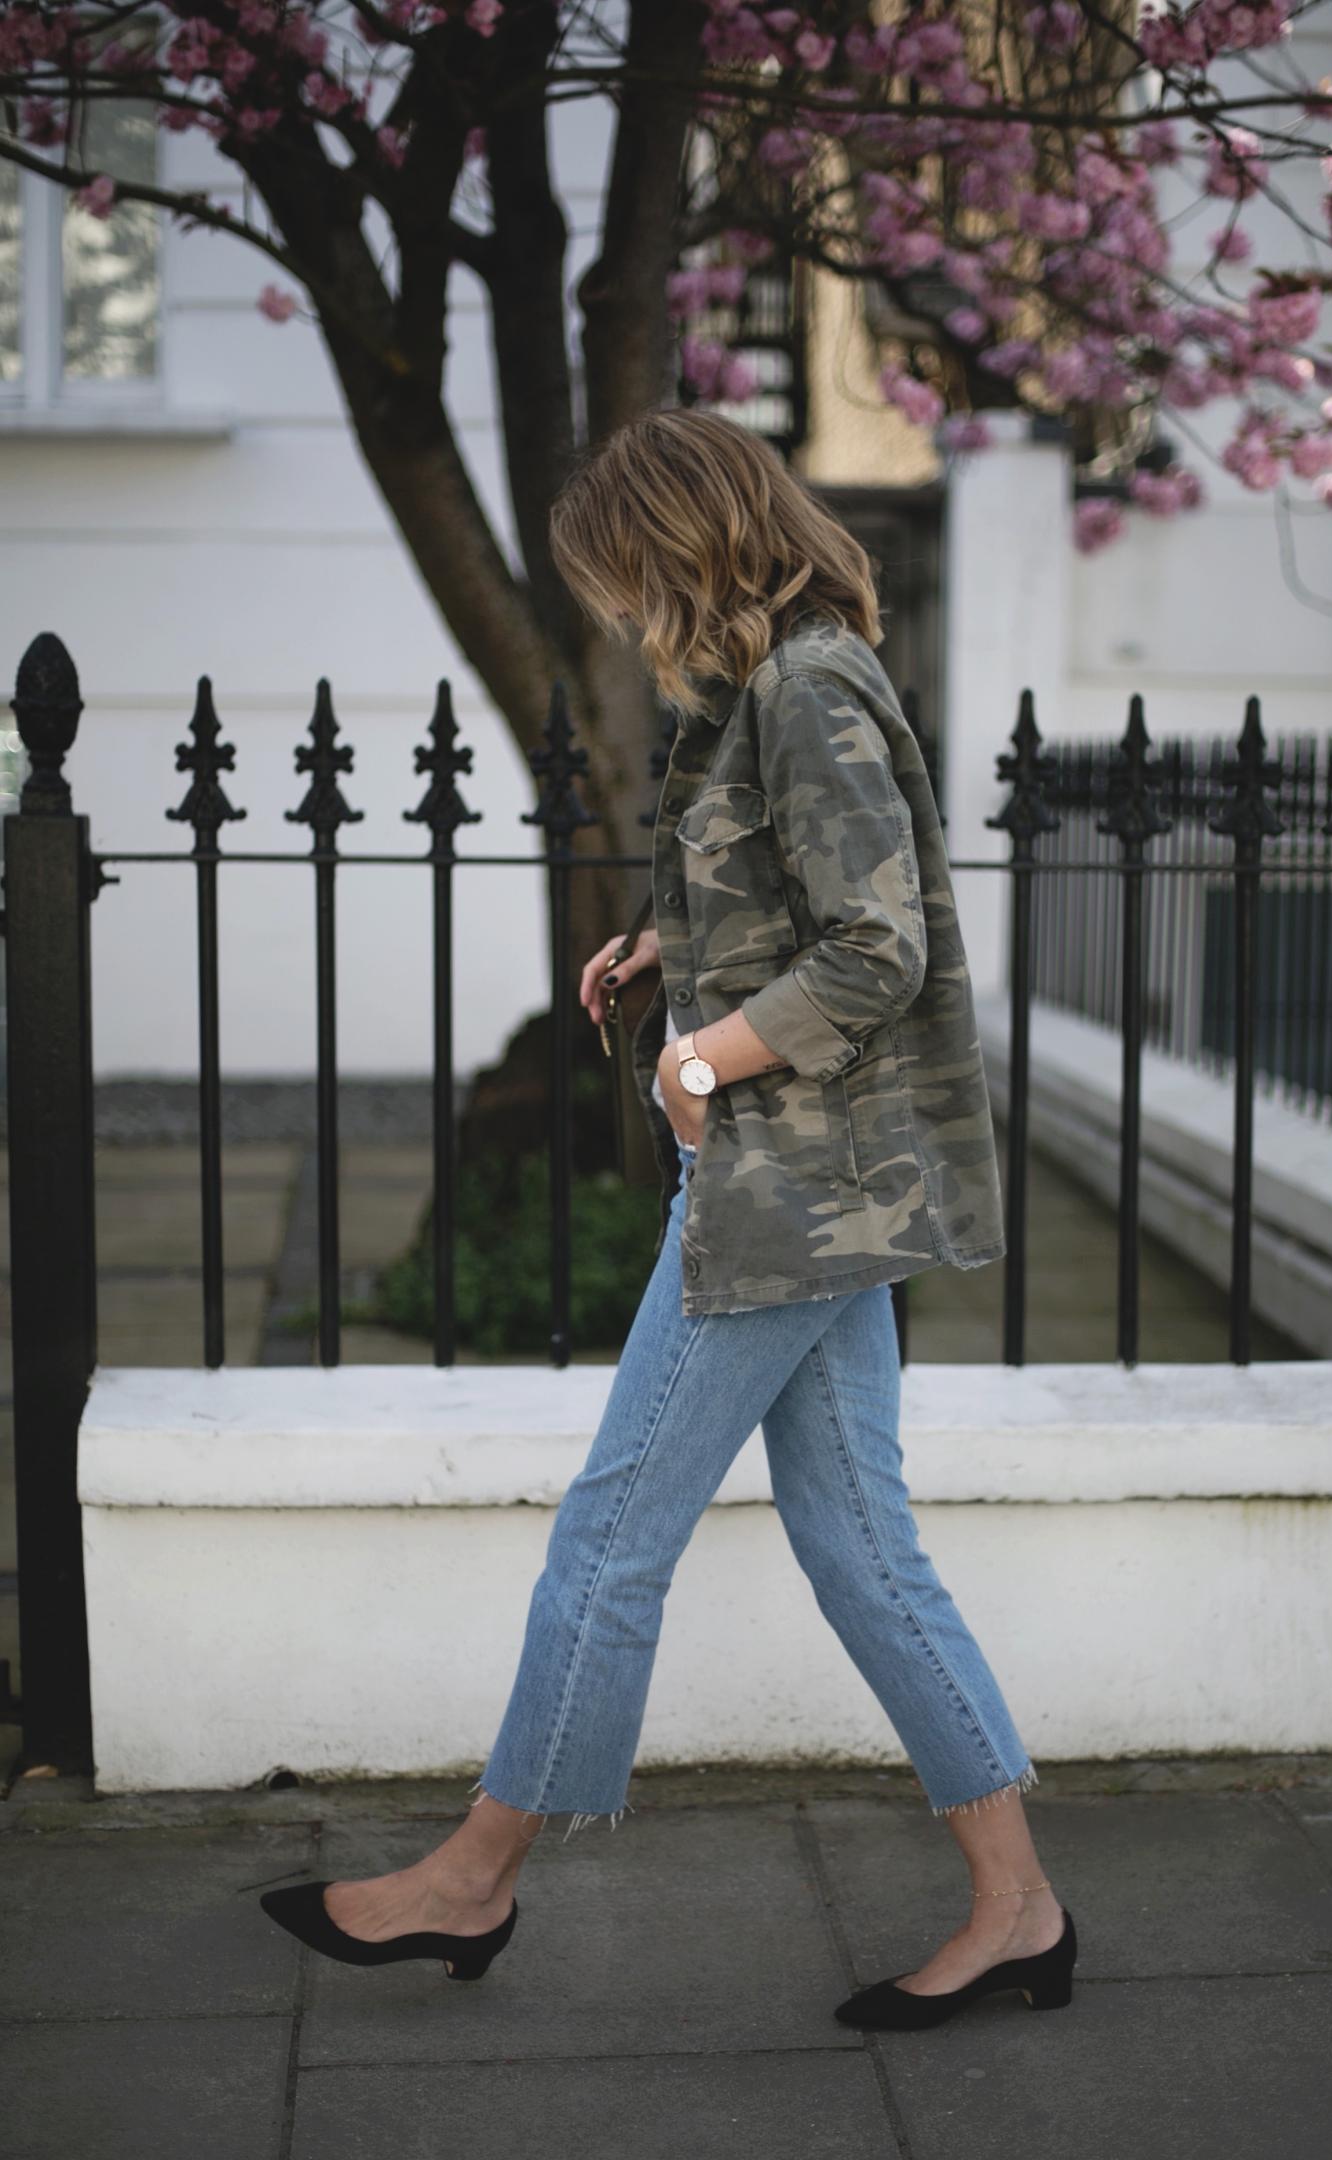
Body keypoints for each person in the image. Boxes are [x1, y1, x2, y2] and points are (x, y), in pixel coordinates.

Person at [260, 408, 1076, 2028]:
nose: (618, 610)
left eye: (617, 574)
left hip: (787, 1196)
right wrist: (664, 945)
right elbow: (789, 890)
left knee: (611, 1535)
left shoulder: (808, 688)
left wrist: (702, 1050)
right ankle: (1022, 1910)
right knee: (860, 1550)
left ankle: (469, 1879)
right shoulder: (774, 689)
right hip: (813, 1198)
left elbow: (874, 948)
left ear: (677, 541)